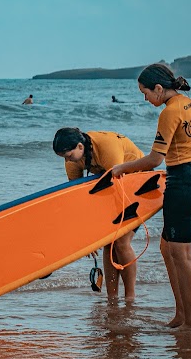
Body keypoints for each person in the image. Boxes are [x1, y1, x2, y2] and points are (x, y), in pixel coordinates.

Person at [111, 63, 191, 330]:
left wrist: (122, 168)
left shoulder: (169, 113)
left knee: (182, 256)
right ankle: (181, 315)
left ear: (158, 88)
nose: (145, 99)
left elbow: (155, 159)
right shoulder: (189, 105)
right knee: (167, 248)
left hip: (182, 189)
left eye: (145, 93)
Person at [53, 127, 144, 301]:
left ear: (80, 146)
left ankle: (130, 298)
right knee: (108, 243)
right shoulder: (73, 160)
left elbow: (118, 187)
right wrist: (89, 236)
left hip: (139, 181)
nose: (67, 160)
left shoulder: (107, 147)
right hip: (112, 186)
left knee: (121, 242)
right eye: (63, 157)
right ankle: (112, 297)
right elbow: (79, 198)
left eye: (68, 155)